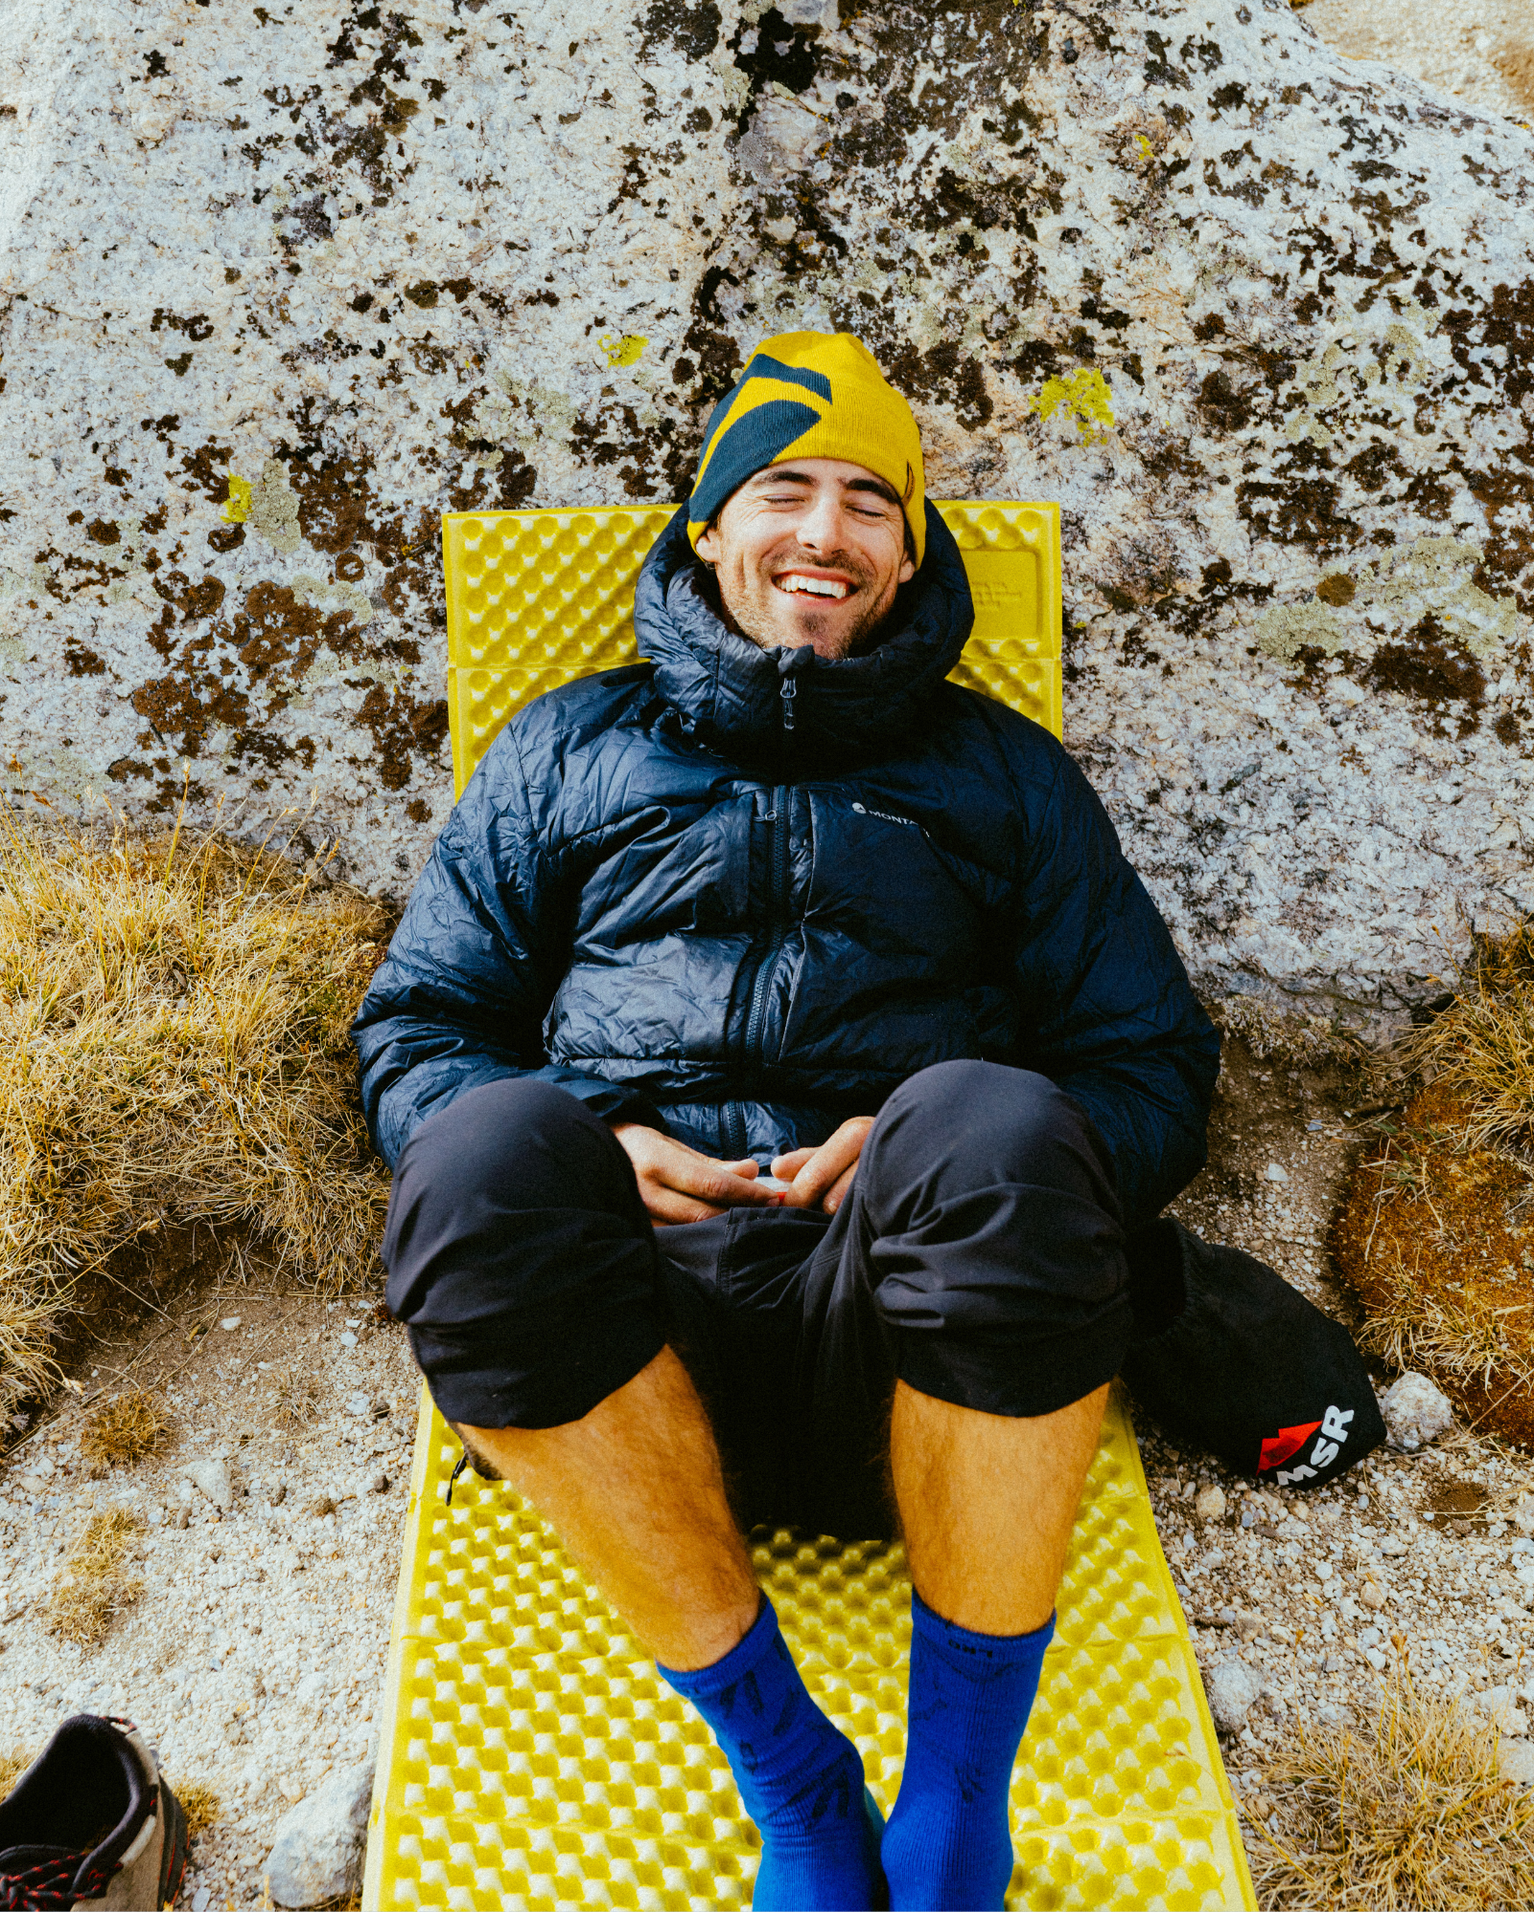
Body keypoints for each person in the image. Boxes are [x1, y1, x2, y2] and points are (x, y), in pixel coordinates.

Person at [353, 330, 1221, 1912]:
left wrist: (910, 1143)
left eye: (867, 505)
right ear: (705, 528)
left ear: (905, 557)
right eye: (780, 489)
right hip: (619, 1360)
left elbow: (1149, 1065)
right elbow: (420, 1029)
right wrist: (600, 1151)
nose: (824, 532)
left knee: (988, 1119)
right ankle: (795, 1783)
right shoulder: (563, 747)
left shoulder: (1002, 775)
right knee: (483, 1152)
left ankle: (956, 1803)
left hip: (912, 1337)